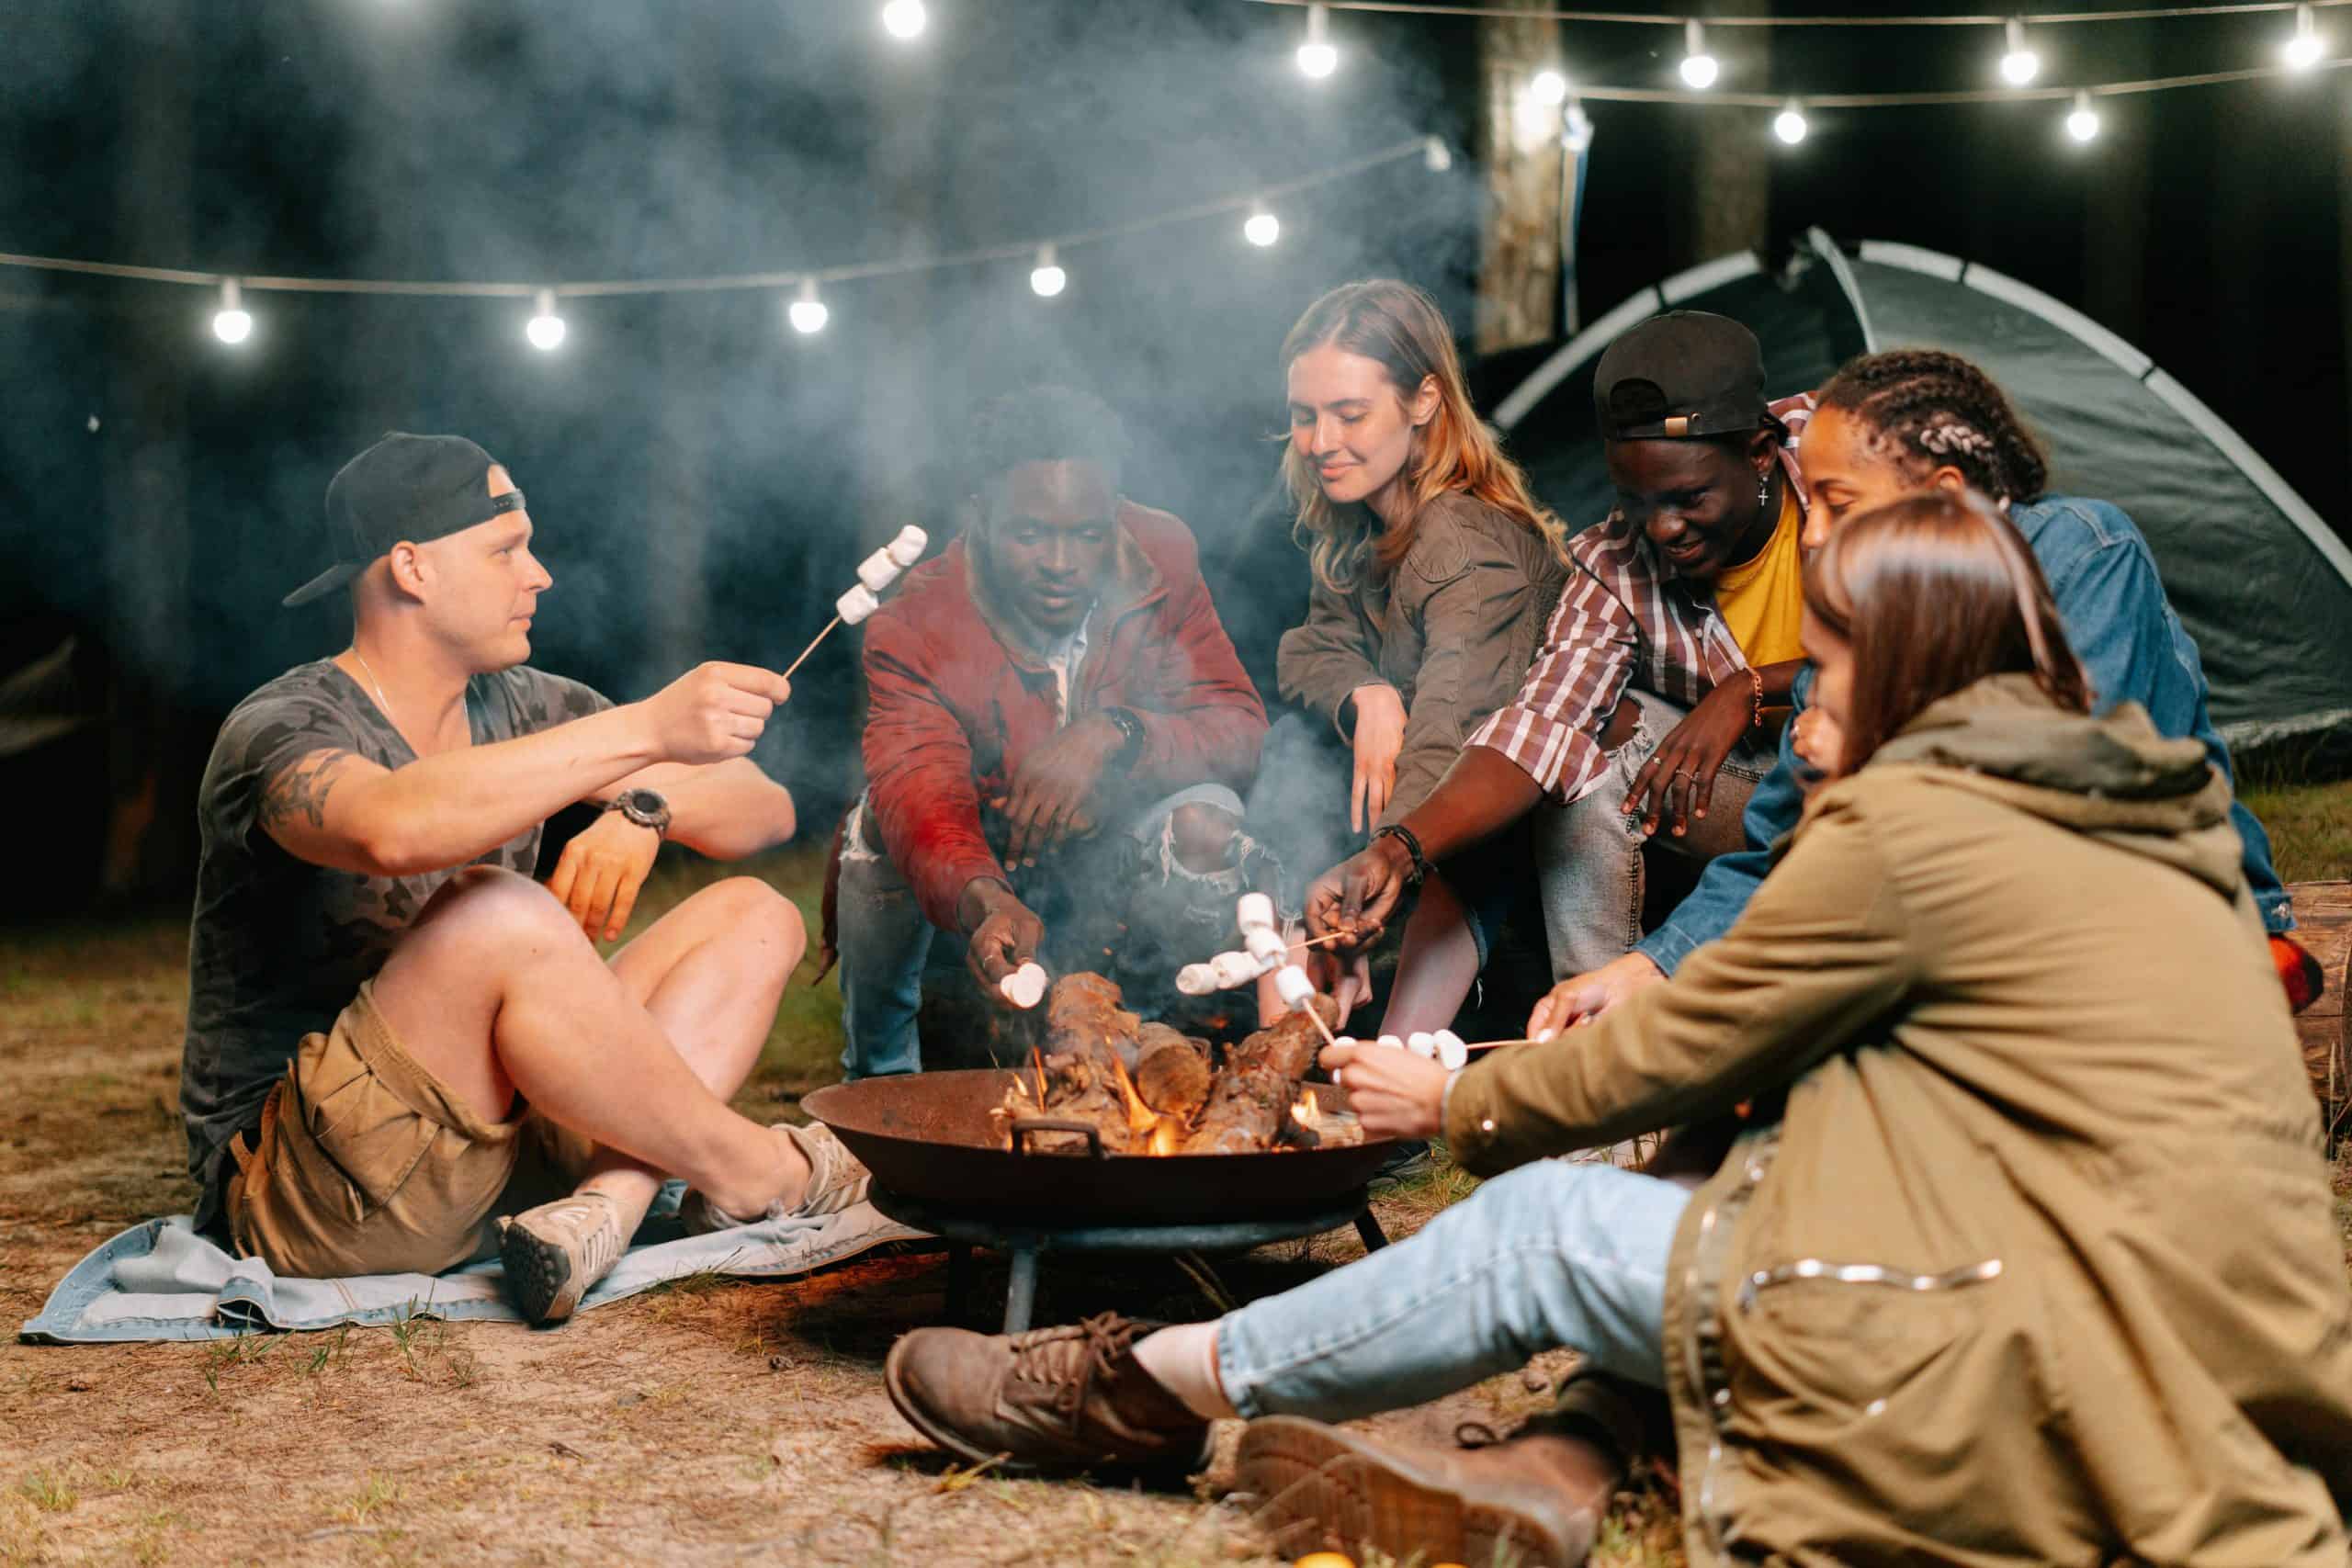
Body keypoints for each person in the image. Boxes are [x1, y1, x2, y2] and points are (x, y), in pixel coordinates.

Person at [880, 491, 2352, 1568]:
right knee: (1750, 1148)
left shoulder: (1924, 828)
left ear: (1913, 671)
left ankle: (1129, 1388)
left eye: (1822, 670)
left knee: (1541, 1233)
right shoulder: (2141, 827)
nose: (1792, 706)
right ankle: (1568, 1455)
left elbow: (1677, 1045)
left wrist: (1446, 1100)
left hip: (2019, 1358)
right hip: (2177, 1361)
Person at [184, 433, 870, 1326]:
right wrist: (644, 729)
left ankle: (603, 1212)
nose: (538, 575)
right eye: (506, 550)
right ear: (412, 569)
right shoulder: (279, 727)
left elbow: (764, 811)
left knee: (754, 915)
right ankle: (761, 1170)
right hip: (313, 1187)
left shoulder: (520, 704)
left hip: (498, 1142)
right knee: (499, 906)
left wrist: (641, 807)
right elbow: (392, 827)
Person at [1531, 346, 2312, 1037]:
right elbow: (1782, 849)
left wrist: (1867, 754)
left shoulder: (2081, 554)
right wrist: (1652, 967)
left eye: (1839, 503)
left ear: (1944, 493)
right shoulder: (1860, 613)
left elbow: (2079, 786)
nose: (1812, 534)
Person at [1305, 310, 1812, 987]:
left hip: (1886, 791)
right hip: (1754, 805)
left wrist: (1750, 688)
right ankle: (1586, 1023)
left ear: (1758, 452)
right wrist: (1397, 853)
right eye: (1636, 499)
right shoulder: (1615, 562)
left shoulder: (1855, 466)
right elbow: (1540, 727)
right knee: (1598, 737)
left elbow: (1936, 643)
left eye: (1689, 496)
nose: (1663, 528)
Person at [831, 386, 1270, 1076]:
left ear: (1115, 517)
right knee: (872, 825)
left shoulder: (1161, 558)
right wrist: (985, 897)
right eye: (1030, 533)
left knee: (1213, 813)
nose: (1061, 562)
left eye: (1086, 533)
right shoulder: (917, 624)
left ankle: (1172, 1047)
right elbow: (920, 787)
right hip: (987, 886)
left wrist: (1116, 733)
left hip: (1108, 857)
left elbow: (1239, 728)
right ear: (981, 514)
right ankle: (878, 1073)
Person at [1258, 279, 1568, 1034]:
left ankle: (1391, 1072)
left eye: (1350, 413)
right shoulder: (1360, 522)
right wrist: (1366, 693)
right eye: (1306, 416)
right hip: (1412, 825)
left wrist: (1372, 881)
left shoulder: (1463, 544)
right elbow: (1308, 649)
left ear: (1424, 401)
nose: (1322, 441)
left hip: (1510, 834)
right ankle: (1300, 1063)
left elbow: (1453, 745)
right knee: (1284, 756)